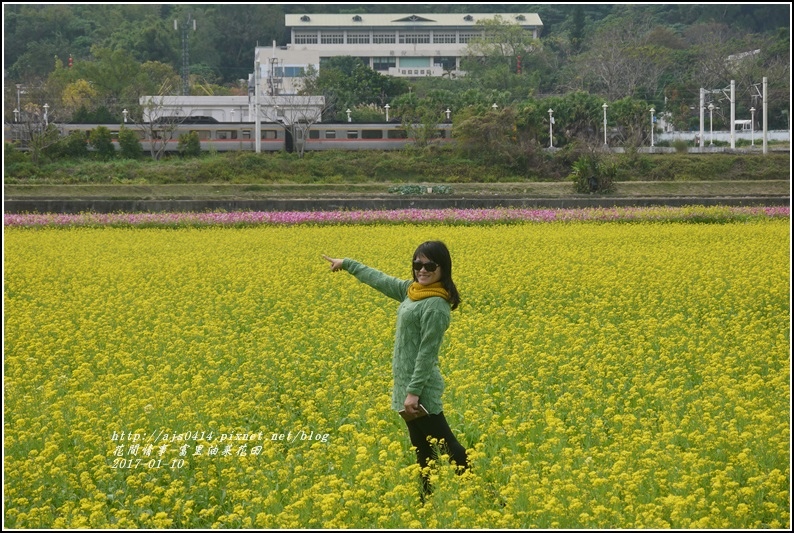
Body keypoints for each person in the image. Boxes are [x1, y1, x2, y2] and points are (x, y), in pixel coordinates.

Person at [322, 241, 468, 498]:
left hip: (420, 389)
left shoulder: (435, 305)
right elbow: (381, 280)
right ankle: (427, 502)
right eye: (417, 264)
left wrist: (413, 392)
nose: (422, 270)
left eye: (429, 265)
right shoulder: (412, 291)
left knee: (447, 446)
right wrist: (348, 264)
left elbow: (427, 353)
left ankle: (483, 493)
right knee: (422, 448)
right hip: (406, 386)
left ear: (443, 268)